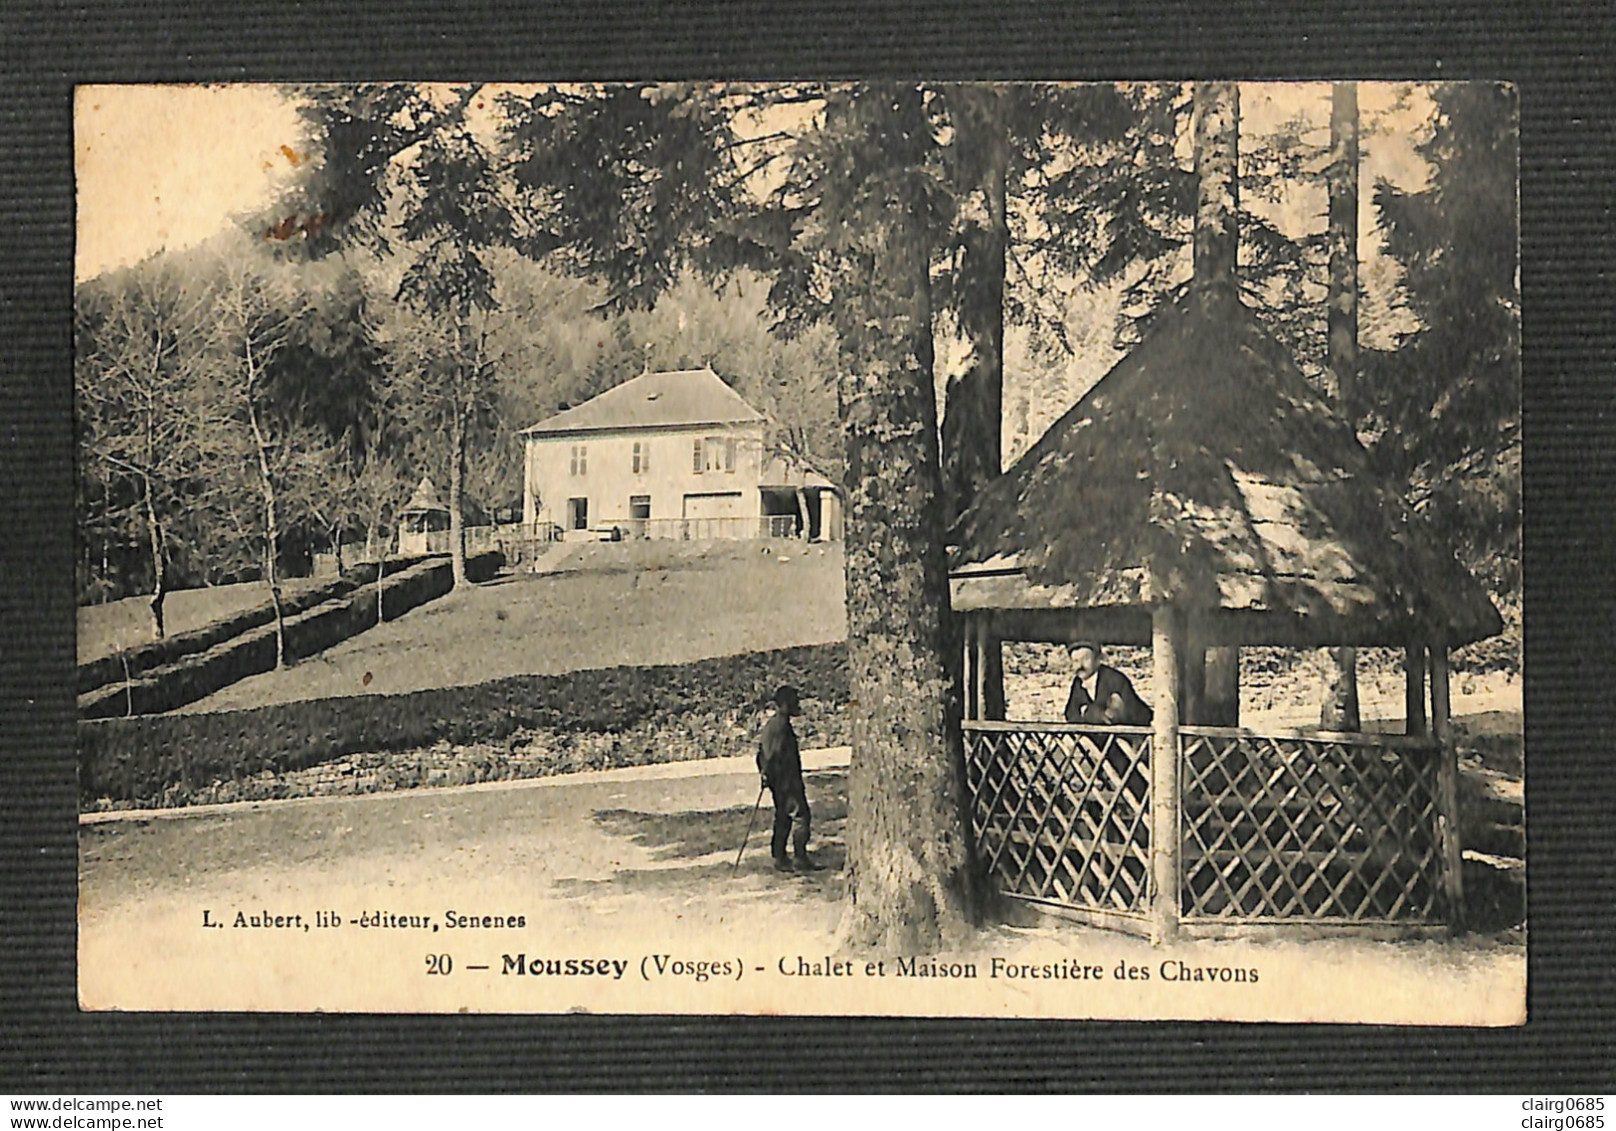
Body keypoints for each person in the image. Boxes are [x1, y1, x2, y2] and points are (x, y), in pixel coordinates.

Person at [757, 684, 821, 872]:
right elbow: (773, 756)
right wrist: (780, 779)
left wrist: (765, 775)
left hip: (779, 781)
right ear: (784, 704)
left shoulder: (773, 725)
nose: (797, 705)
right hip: (786, 781)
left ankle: (780, 857)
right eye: (794, 702)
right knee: (801, 816)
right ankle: (799, 858)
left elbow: (761, 755)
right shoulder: (780, 727)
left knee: (783, 817)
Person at [1063, 642, 1153, 726]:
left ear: (1098, 660)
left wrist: (1087, 712)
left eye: (1085, 659)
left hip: (1129, 732)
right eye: (1075, 661)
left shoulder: (1114, 679)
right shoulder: (1078, 683)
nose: (1080, 666)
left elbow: (1117, 714)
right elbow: (1071, 713)